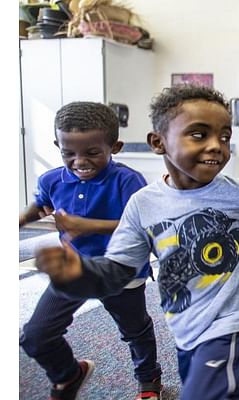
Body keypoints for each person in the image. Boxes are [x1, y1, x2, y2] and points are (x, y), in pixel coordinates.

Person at [34, 85, 239, 400]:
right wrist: (79, 274)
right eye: (198, 135)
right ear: (158, 142)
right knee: (218, 387)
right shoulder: (143, 204)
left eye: (224, 137)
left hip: (232, 320)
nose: (217, 146)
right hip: (185, 326)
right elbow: (118, 271)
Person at [19, 101, 163, 400]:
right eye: (68, 153)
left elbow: (141, 224)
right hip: (74, 268)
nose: (79, 161)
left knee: (134, 331)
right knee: (36, 336)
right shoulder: (51, 179)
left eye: (92, 153)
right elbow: (41, 206)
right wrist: (21, 218)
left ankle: (149, 381)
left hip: (120, 271)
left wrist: (87, 225)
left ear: (115, 147)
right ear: (57, 145)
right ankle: (69, 375)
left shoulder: (127, 180)